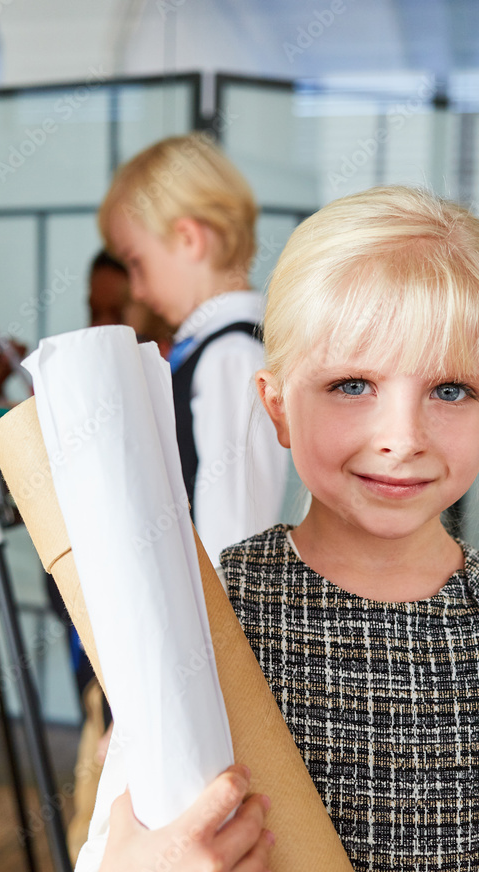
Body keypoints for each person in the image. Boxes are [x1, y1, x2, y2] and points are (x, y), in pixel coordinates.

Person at [60, 186, 479, 872]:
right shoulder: (204, 619)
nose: (402, 436)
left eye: (450, 390)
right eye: (351, 384)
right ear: (277, 406)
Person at [98, 132, 289, 564]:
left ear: (188, 239)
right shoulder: (213, 349)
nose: (139, 291)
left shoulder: (231, 357)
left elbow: (234, 541)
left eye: (135, 261)